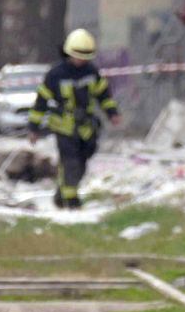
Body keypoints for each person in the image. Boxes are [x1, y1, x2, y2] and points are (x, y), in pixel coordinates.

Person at [28, 28, 121, 208]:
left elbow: (103, 96)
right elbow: (41, 104)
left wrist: (113, 113)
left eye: (86, 57)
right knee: (70, 162)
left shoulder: (91, 72)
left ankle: (61, 193)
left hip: (86, 127)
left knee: (82, 162)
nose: (81, 60)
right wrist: (34, 128)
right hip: (64, 127)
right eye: (78, 56)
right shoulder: (55, 75)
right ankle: (71, 200)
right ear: (69, 53)